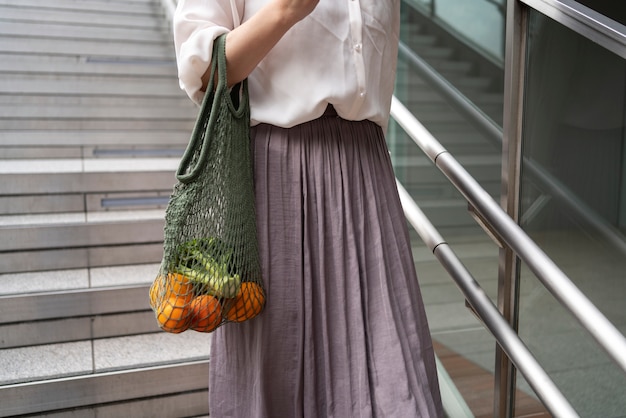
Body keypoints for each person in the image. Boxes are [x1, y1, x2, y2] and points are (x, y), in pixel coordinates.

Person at [173, 1, 444, 416]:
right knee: (278, 376)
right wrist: (285, 10)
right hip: (274, 174)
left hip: (365, 175)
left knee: (397, 382)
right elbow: (204, 69)